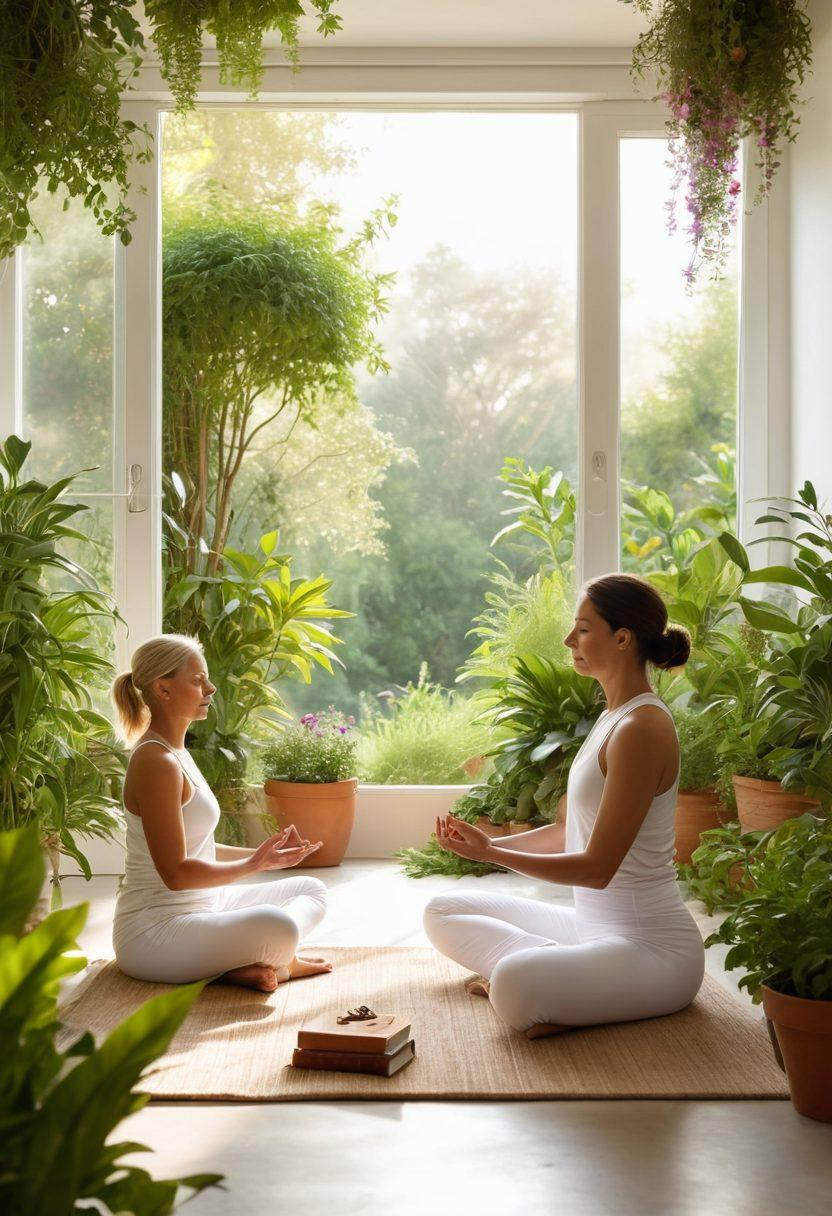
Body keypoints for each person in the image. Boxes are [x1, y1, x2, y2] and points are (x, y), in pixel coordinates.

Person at [423, 573, 705, 1038]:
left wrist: (493, 856)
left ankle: (540, 982)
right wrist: (488, 839)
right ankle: (558, 975)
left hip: (654, 952)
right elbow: (566, 833)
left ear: (622, 638)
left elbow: (597, 868)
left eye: (583, 628)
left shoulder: (641, 729)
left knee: (513, 984)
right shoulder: (612, 717)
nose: (568, 639)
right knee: (441, 910)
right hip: (590, 929)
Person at [111, 634, 331, 992]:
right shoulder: (156, 761)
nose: (210, 688)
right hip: (155, 931)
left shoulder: (177, 753)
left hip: (206, 907)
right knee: (279, 928)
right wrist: (253, 866)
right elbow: (176, 874)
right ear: (163, 690)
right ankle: (277, 962)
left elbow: (198, 848)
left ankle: (239, 964)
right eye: (198, 681)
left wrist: (265, 857)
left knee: (313, 890)